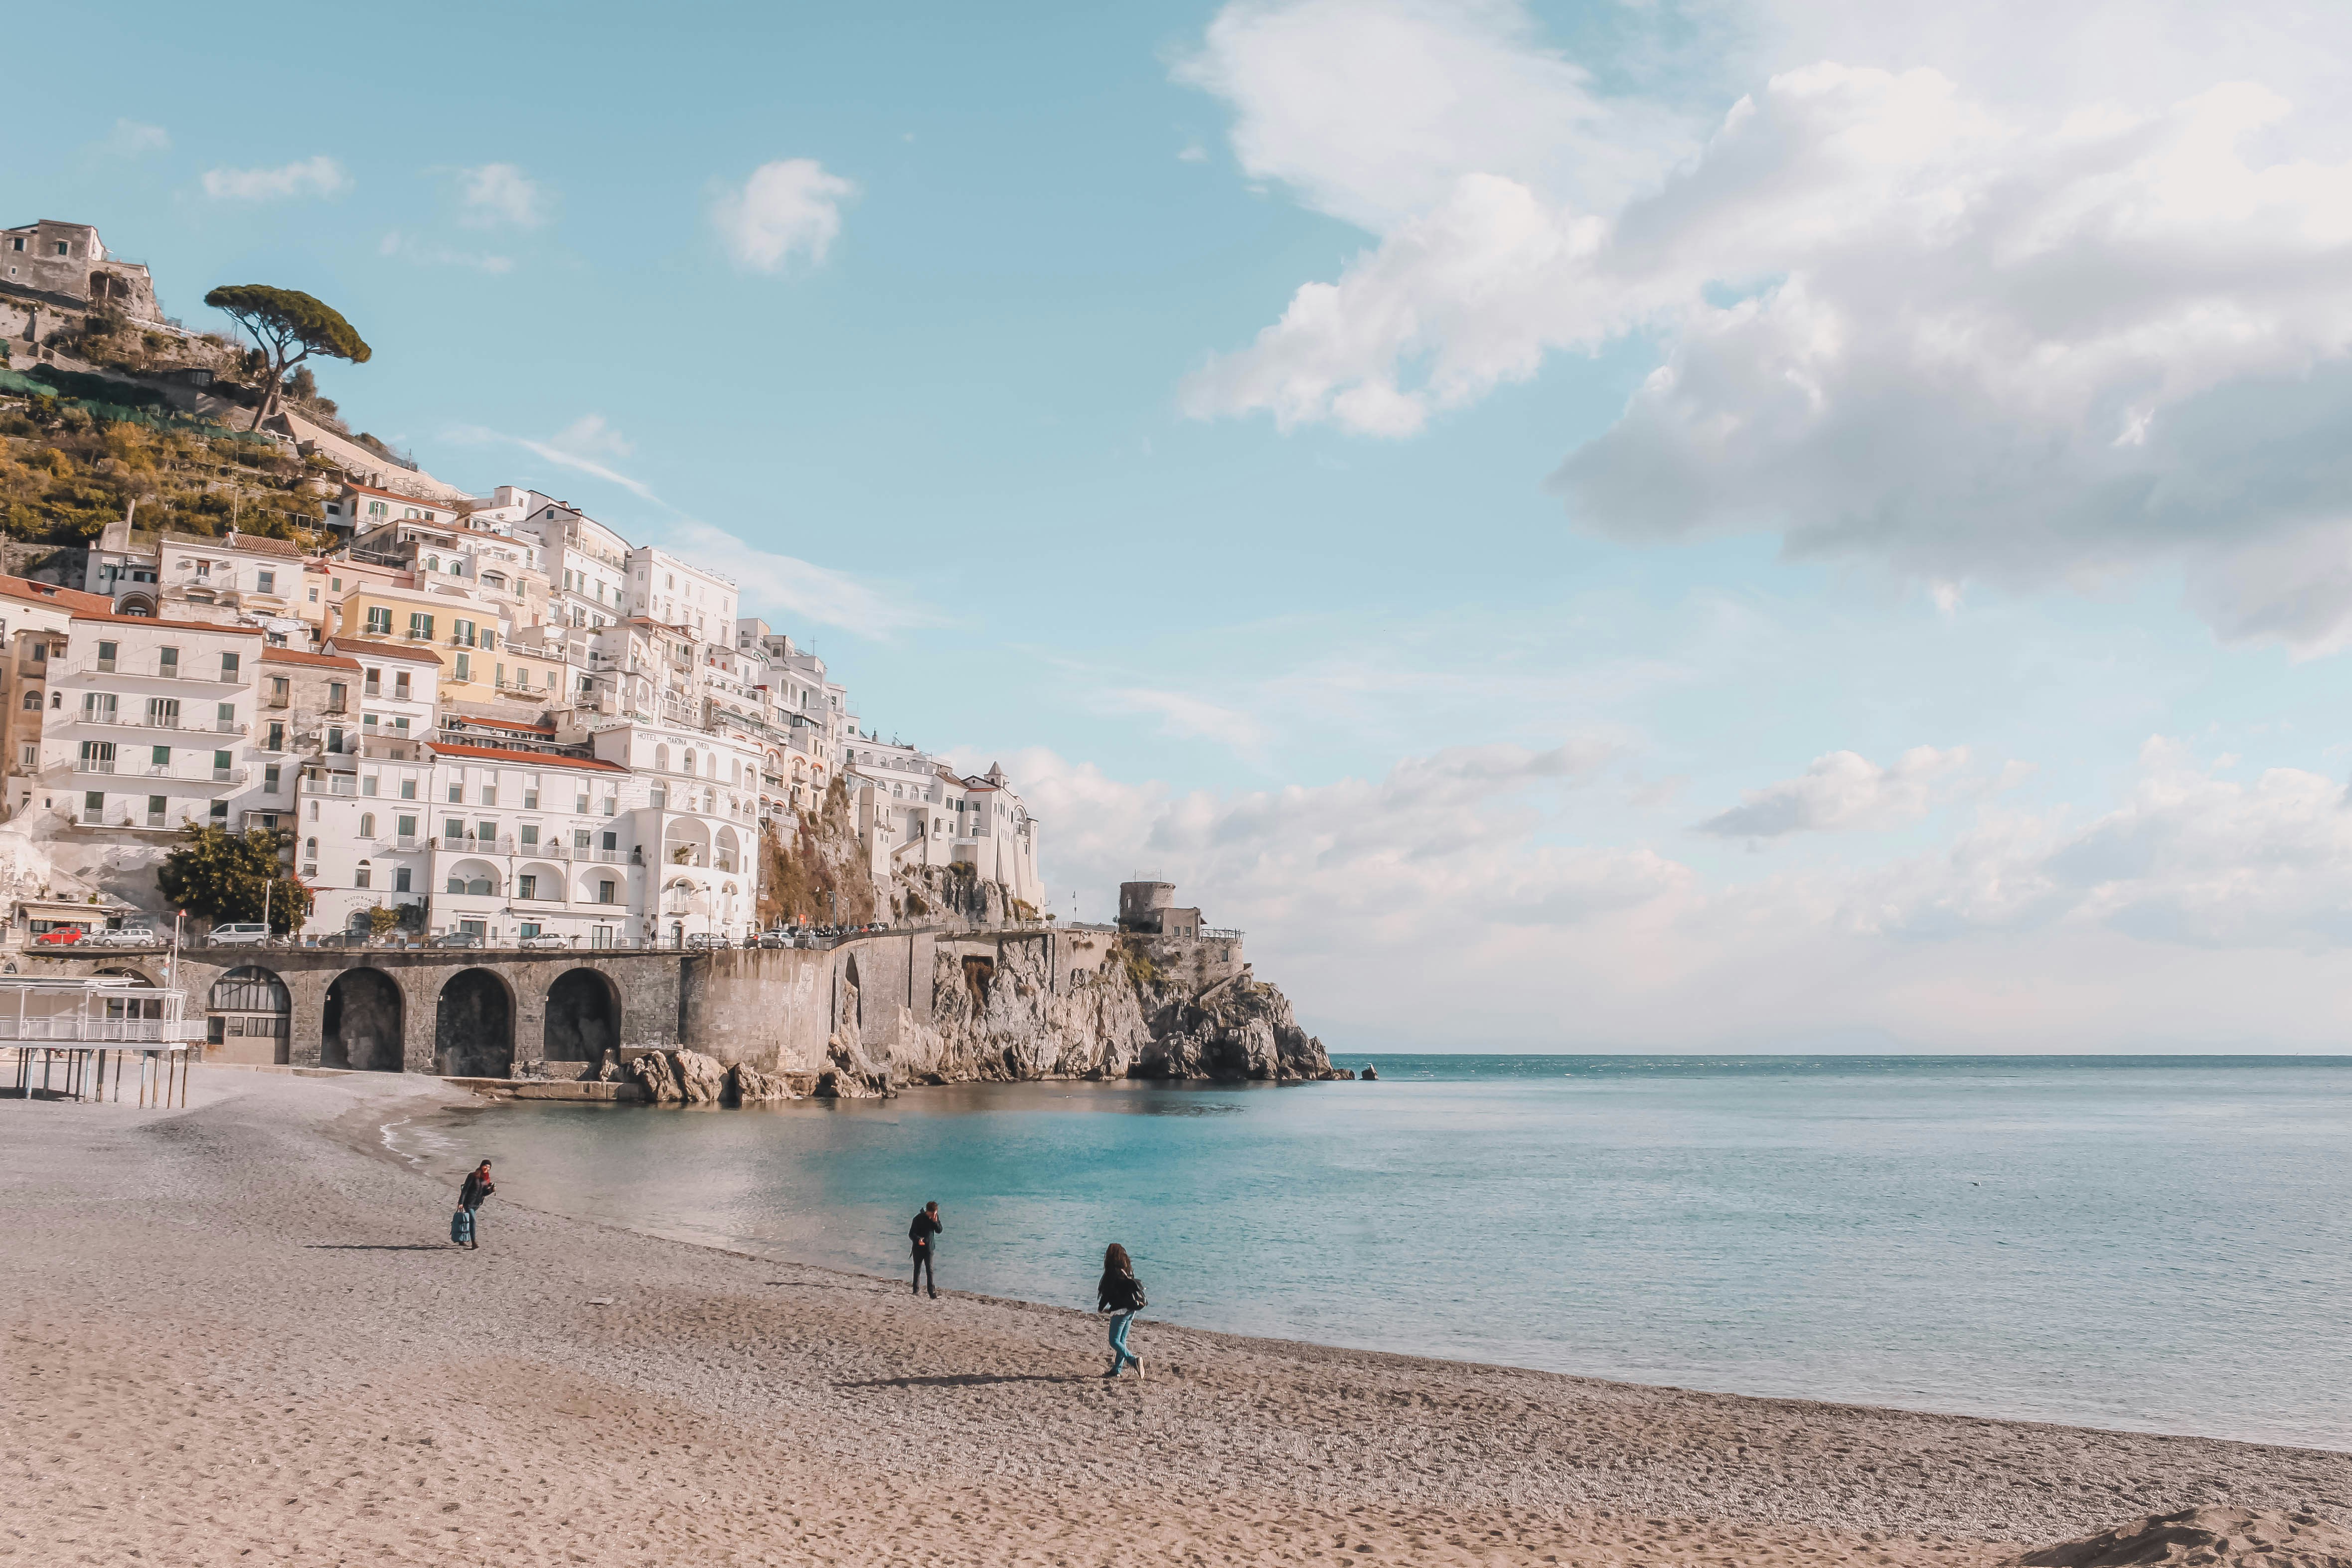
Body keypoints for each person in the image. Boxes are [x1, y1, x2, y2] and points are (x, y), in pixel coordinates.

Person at [1098, 1242, 1146, 1379]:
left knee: (1114, 1341)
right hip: (1132, 1308)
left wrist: (1101, 1308)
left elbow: (1107, 1293)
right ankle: (1117, 1370)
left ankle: (1134, 1361)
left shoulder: (1112, 1272)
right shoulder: (1127, 1270)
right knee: (1122, 1340)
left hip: (1120, 1311)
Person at [456, 1160, 494, 1251]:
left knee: (467, 1220)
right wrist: (461, 1202)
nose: (487, 1168)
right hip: (468, 1203)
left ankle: (461, 1240)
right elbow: (465, 1190)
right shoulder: (472, 1176)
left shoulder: (487, 1179)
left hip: (477, 1204)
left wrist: (491, 1190)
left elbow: (484, 1193)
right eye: (485, 1166)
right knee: (473, 1220)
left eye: (489, 1167)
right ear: (481, 1166)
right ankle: (474, 1243)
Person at [908, 1200, 942, 1298]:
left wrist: (935, 1222)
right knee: (917, 1269)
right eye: (934, 1213)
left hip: (929, 1248)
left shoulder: (935, 1218)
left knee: (930, 1270)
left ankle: (931, 1292)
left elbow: (939, 1230)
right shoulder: (918, 1219)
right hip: (918, 1248)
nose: (935, 1214)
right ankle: (915, 1290)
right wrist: (918, 1240)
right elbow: (911, 1234)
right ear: (930, 1211)